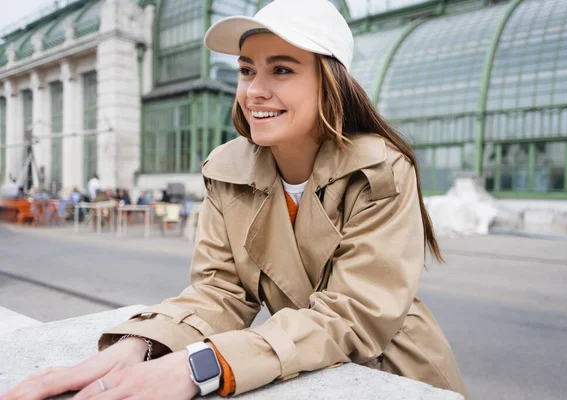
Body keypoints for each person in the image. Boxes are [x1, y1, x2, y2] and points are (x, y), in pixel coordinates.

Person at [0, 1, 468, 399]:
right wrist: (142, 346)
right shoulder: (228, 170)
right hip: (297, 360)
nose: (254, 90)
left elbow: (352, 316)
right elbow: (219, 292)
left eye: (281, 69)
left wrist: (201, 366)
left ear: (331, 82)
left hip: (394, 370)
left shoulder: (379, 169)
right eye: (247, 70)